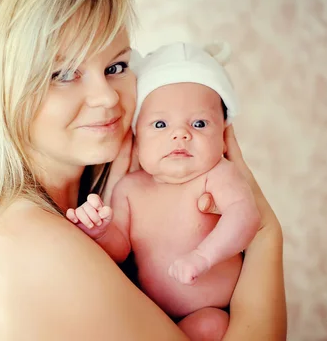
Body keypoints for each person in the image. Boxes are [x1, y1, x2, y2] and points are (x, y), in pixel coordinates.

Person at [0, 0, 287, 340]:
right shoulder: (24, 239)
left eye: (116, 67)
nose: (107, 98)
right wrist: (264, 234)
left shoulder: (79, 213)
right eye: (63, 74)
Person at [66, 42, 260, 340]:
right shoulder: (130, 189)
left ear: (223, 136)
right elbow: (120, 248)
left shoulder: (216, 176)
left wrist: (203, 257)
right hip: (150, 313)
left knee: (210, 327)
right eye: (160, 124)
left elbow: (245, 216)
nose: (180, 134)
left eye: (199, 123)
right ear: (136, 138)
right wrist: (101, 230)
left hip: (210, 310)